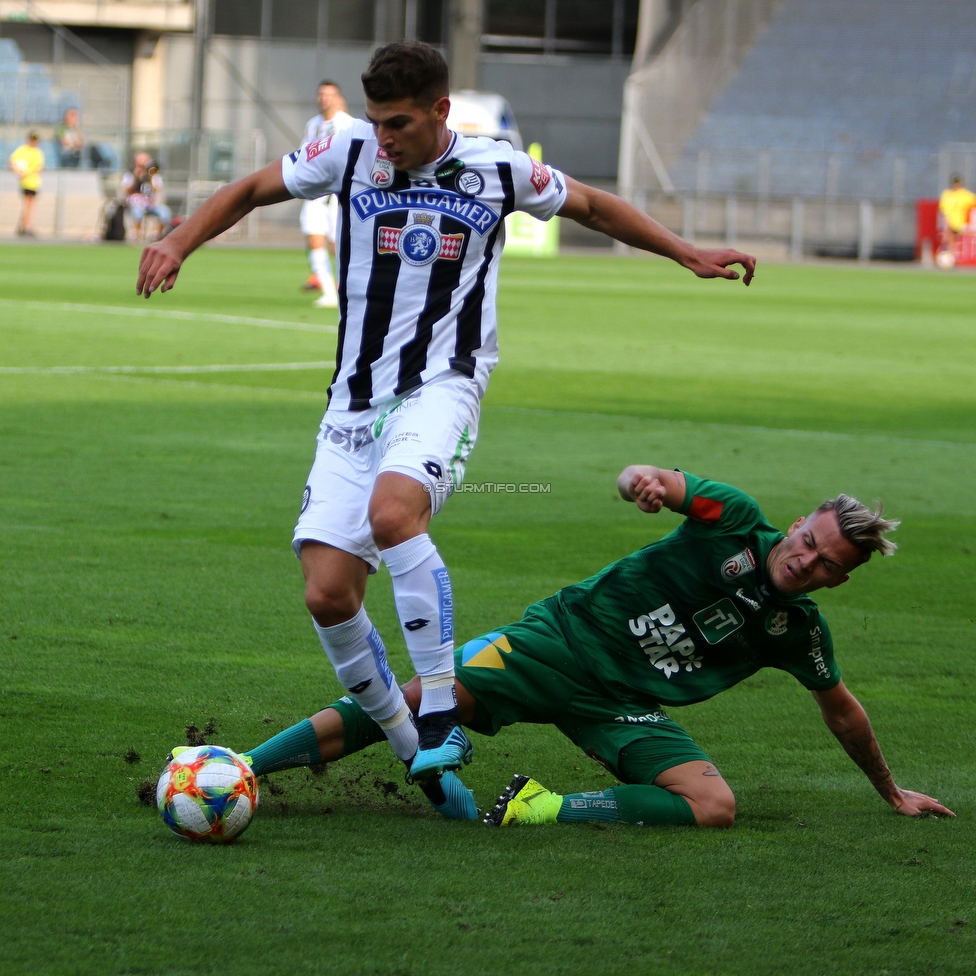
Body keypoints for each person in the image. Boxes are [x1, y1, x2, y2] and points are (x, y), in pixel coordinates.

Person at [137, 42, 756, 806]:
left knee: (395, 514)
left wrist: (684, 252)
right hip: (353, 402)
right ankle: (417, 756)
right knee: (329, 596)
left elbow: (593, 205)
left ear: (440, 111)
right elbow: (253, 187)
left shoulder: (499, 168)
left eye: (399, 123)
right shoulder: (346, 149)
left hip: (443, 387)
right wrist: (177, 239)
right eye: (376, 121)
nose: (385, 137)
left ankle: (438, 714)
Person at [233, 464, 954, 827]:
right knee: (418, 700)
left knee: (712, 806)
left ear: (841, 579)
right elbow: (657, 481)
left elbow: (844, 712)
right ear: (797, 524)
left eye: (828, 563)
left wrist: (889, 791)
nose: (807, 560)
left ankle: (539, 808)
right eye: (809, 541)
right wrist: (637, 482)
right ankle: (244, 770)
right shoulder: (732, 519)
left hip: (621, 703)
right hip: (558, 643)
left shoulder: (798, 633)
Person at [300, 80, 355, 307]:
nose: (325, 98)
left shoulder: (347, 124)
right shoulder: (312, 124)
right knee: (314, 238)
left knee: (337, 245)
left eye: (330, 94)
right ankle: (328, 292)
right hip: (315, 192)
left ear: (338, 98)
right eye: (321, 94)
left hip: (337, 194)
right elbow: (304, 152)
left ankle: (349, 289)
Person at [121, 152, 172, 239]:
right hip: (136, 203)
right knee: (137, 212)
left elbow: (157, 190)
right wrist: (136, 178)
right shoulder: (129, 175)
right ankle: (137, 235)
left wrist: (150, 177)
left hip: (150, 204)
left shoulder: (154, 174)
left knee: (165, 212)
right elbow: (125, 190)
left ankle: (156, 235)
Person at [8, 132, 44, 237]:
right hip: (26, 181)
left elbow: (39, 168)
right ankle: (27, 226)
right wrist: (18, 172)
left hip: (34, 182)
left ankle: (24, 225)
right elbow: (12, 162)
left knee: (29, 205)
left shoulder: (37, 152)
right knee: (28, 204)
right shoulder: (23, 150)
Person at [938, 174, 976, 256]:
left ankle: (952, 254)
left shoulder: (965, 195)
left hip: (960, 223)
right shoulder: (947, 194)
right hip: (949, 223)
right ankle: (949, 255)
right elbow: (943, 211)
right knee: (948, 235)